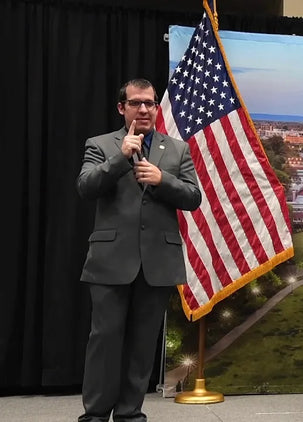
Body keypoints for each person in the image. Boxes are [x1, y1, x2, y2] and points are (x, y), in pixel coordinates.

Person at [76, 78, 202, 422]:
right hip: (110, 262)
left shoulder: (177, 150)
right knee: (104, 341)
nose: (144, 109)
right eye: (136, 103)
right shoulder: (101, 144)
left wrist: (164, 181)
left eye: (150, 102)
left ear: (156, 108)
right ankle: (96, 415)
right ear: (122, 108)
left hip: (157, 262)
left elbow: (194, 197)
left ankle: (131, 414)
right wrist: (121, 158)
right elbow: (86, 187)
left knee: (142, 344)